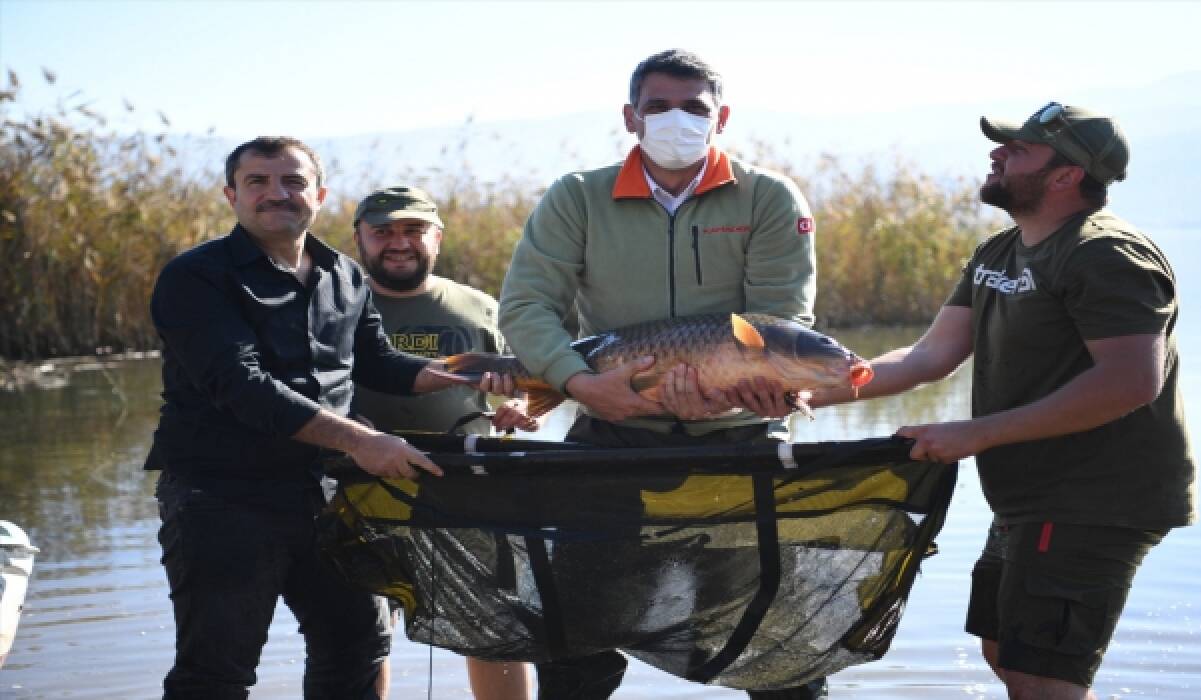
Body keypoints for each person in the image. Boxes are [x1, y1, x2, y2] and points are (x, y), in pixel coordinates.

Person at [812, 103, 1197, 699]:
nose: (997, 154)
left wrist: (977, 433)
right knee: (1007, 654)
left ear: (1067, 175)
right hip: (1029, 495)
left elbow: (1129, 382)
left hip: (1095, 499)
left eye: (1018, 150)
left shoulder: (1106, 255)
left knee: (1043, 677)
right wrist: (799, 393)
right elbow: (926, 359)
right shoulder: (1000, 251)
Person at [499, 49, 824, 700]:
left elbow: (781, 318)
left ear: (721, 118)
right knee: (574, 640)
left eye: (695, 109)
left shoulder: (767, 196)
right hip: (613, 432)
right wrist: (577, 383)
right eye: (658, 107)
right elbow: (527, 306)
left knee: (775, 643)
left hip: (742, 439)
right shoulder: (577, 197)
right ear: (631, 116)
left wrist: (746, 390)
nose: (677, 119)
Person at [145, 136, 514, 699]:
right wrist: (364, 441)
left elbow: (379, 363)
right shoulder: (196, 277)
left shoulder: (342, 274)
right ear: (231, 195)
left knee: (358, 646)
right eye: (258, 182)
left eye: (293, 182)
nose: (277, 194)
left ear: (318, 194)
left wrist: (473, 375)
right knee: (217, 672)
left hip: (328, 495)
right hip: (222, 499)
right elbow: (242, 386)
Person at [350, 184, 537, 699]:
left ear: (437, 237)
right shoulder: (337, 305)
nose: (398, 242)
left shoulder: (479, 306)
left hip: (468, 491)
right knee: (361, 635)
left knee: (496, 629)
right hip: (360, 490)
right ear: (359, 239)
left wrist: (516, 411)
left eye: (413, 230)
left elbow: (522, 387)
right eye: (383, 231)